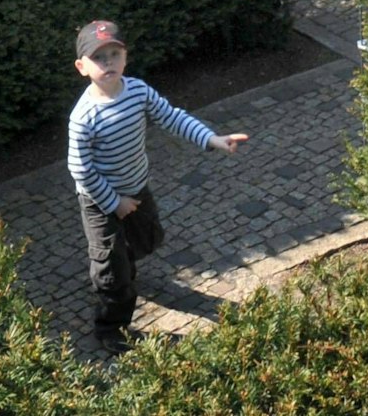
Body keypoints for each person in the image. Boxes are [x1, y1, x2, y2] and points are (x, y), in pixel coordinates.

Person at [68, 18, 247, 349]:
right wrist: (113, 204)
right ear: (82, 67)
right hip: (99, 201)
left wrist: (212, 139)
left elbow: (172, 117)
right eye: (99, 58)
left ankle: (124, 261)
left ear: (125, 58)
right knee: (111, 269)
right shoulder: (84, 116)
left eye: (114, 55)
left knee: (149, 239)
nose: (108, 63)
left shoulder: (137, 91)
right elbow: (80, 169)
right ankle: (111, 329)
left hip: (136, 188)